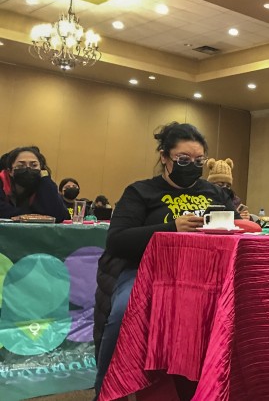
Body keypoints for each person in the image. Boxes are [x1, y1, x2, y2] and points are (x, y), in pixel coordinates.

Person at [93, 122, 238, 397]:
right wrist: (172, 228)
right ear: (164, 157)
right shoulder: (141, 192)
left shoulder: (213, 192)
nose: (191, 166)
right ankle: (105, 390)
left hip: (204, 275)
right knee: (124, 310)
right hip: (147, 271)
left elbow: (239, 225)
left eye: (199, 160)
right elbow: (117, 240)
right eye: (183, 159)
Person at [0, 146, 69, 222]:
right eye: (21, 166)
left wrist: (46, 180)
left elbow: (59, 215)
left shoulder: (43, 184)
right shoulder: (1, 182)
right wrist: (30, 216)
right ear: (10, 171)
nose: (28, 168)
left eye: (34, 165)